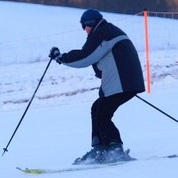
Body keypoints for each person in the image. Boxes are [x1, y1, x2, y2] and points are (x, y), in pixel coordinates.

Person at [49, 8, 145, 165]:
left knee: (102, 113)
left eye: (84, 26)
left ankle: (114, 149)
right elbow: (106, 58)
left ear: (90, 23)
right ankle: (99, 148)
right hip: (127, 81)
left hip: (122, 82)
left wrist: (62, 58)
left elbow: (85, 56)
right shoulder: (107, 30)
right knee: (98, 108)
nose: (84, 30)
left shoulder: (102, 33)